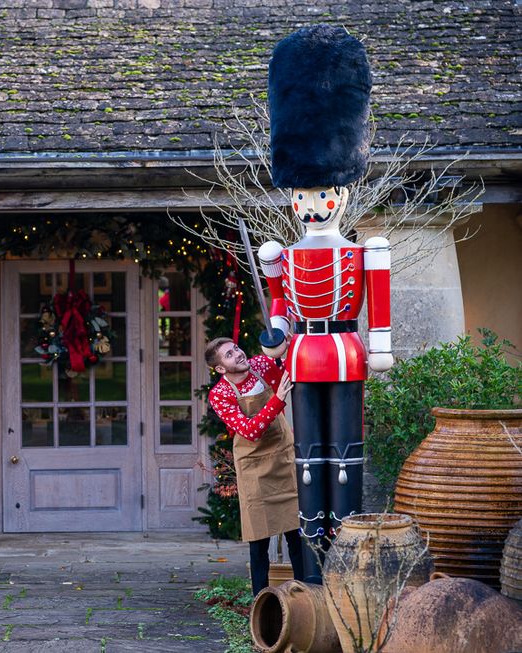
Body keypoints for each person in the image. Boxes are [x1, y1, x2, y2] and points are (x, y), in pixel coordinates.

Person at [259, 25, 393, 582]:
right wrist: (274, 322)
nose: (312, 206)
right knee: (308, 461)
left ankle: (348, 557)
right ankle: (311, 568)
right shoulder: (284, 254)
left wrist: (381, 341)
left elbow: (377, 304)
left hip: (343, 348)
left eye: (321, 195)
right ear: (292, 197)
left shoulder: (365, 250)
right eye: (303, 196)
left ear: (340, 193)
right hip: (305, 354)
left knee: (346, 462)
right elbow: (281, 311)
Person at [205, 337, 304, 596]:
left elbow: (288, 359)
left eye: (236, 348)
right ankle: (261, 604)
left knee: (296, 534)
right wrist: (278, 399)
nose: (238, 354)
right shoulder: (220, 394)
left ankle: (306, 596)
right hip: (253, 469)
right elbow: (250, 431)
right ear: (220, 369)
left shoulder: (259, 365)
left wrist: (283, 344)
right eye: (229, 355)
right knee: (258, 541)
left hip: (283, 458)